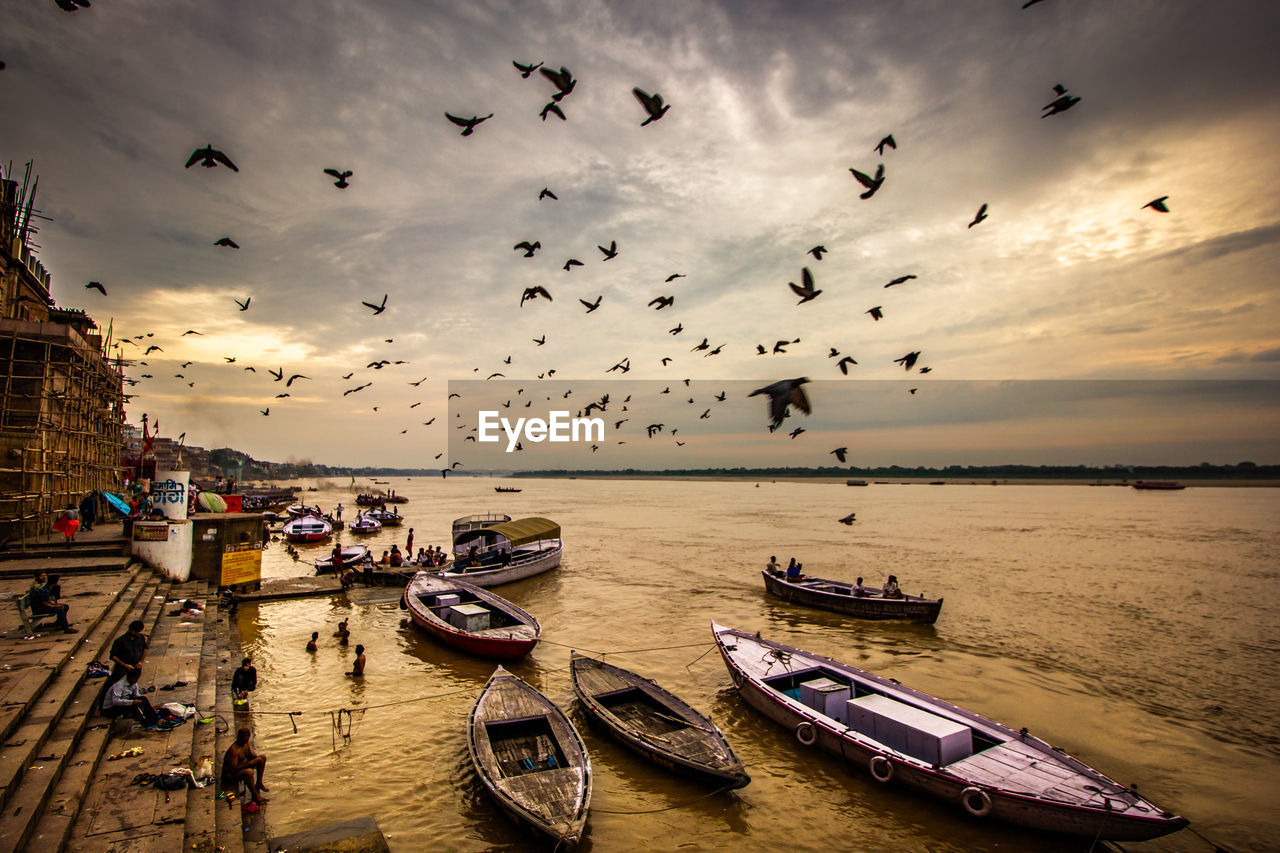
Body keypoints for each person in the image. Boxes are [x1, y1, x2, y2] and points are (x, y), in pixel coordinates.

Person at [221, 728, 268, 808]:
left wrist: (255, 758)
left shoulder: (245, 744)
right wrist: (249, 763)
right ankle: (255, 795)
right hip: (230, 776)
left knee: (262, 758)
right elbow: (233, 769)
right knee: (249, 772)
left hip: (242, 766)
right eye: (244, 737)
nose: (246, 739)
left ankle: (259, 783)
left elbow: (251, 755)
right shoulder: (234, 750)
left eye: (247, 737)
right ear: (239, 737)